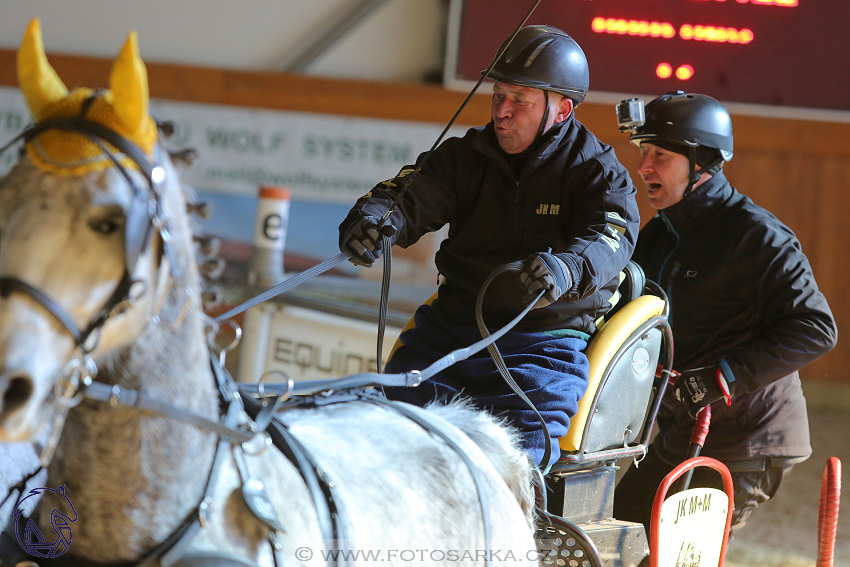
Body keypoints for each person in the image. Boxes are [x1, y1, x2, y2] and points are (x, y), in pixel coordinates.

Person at [338, 25, 639, 471]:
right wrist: (373, 221)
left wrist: (568, 268)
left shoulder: (599, 172)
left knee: (510, 472)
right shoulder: (463, 157)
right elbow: (407, 195)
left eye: (521, 100)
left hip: (543, 349)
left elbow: (611, 238)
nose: (503, 111)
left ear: (561, 110)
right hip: (449, 332)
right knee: (382, 447)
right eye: (498, 95)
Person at [612, 91, 838, 534]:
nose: (643, 167)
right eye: (643, 152)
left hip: (749, 440)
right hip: (683, 432)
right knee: (618, 532)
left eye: (660, 154)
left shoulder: (758, 236)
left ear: (701, 164)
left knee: (667, 554)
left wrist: (722, 377)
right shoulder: (658, 235)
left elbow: (816, 328)